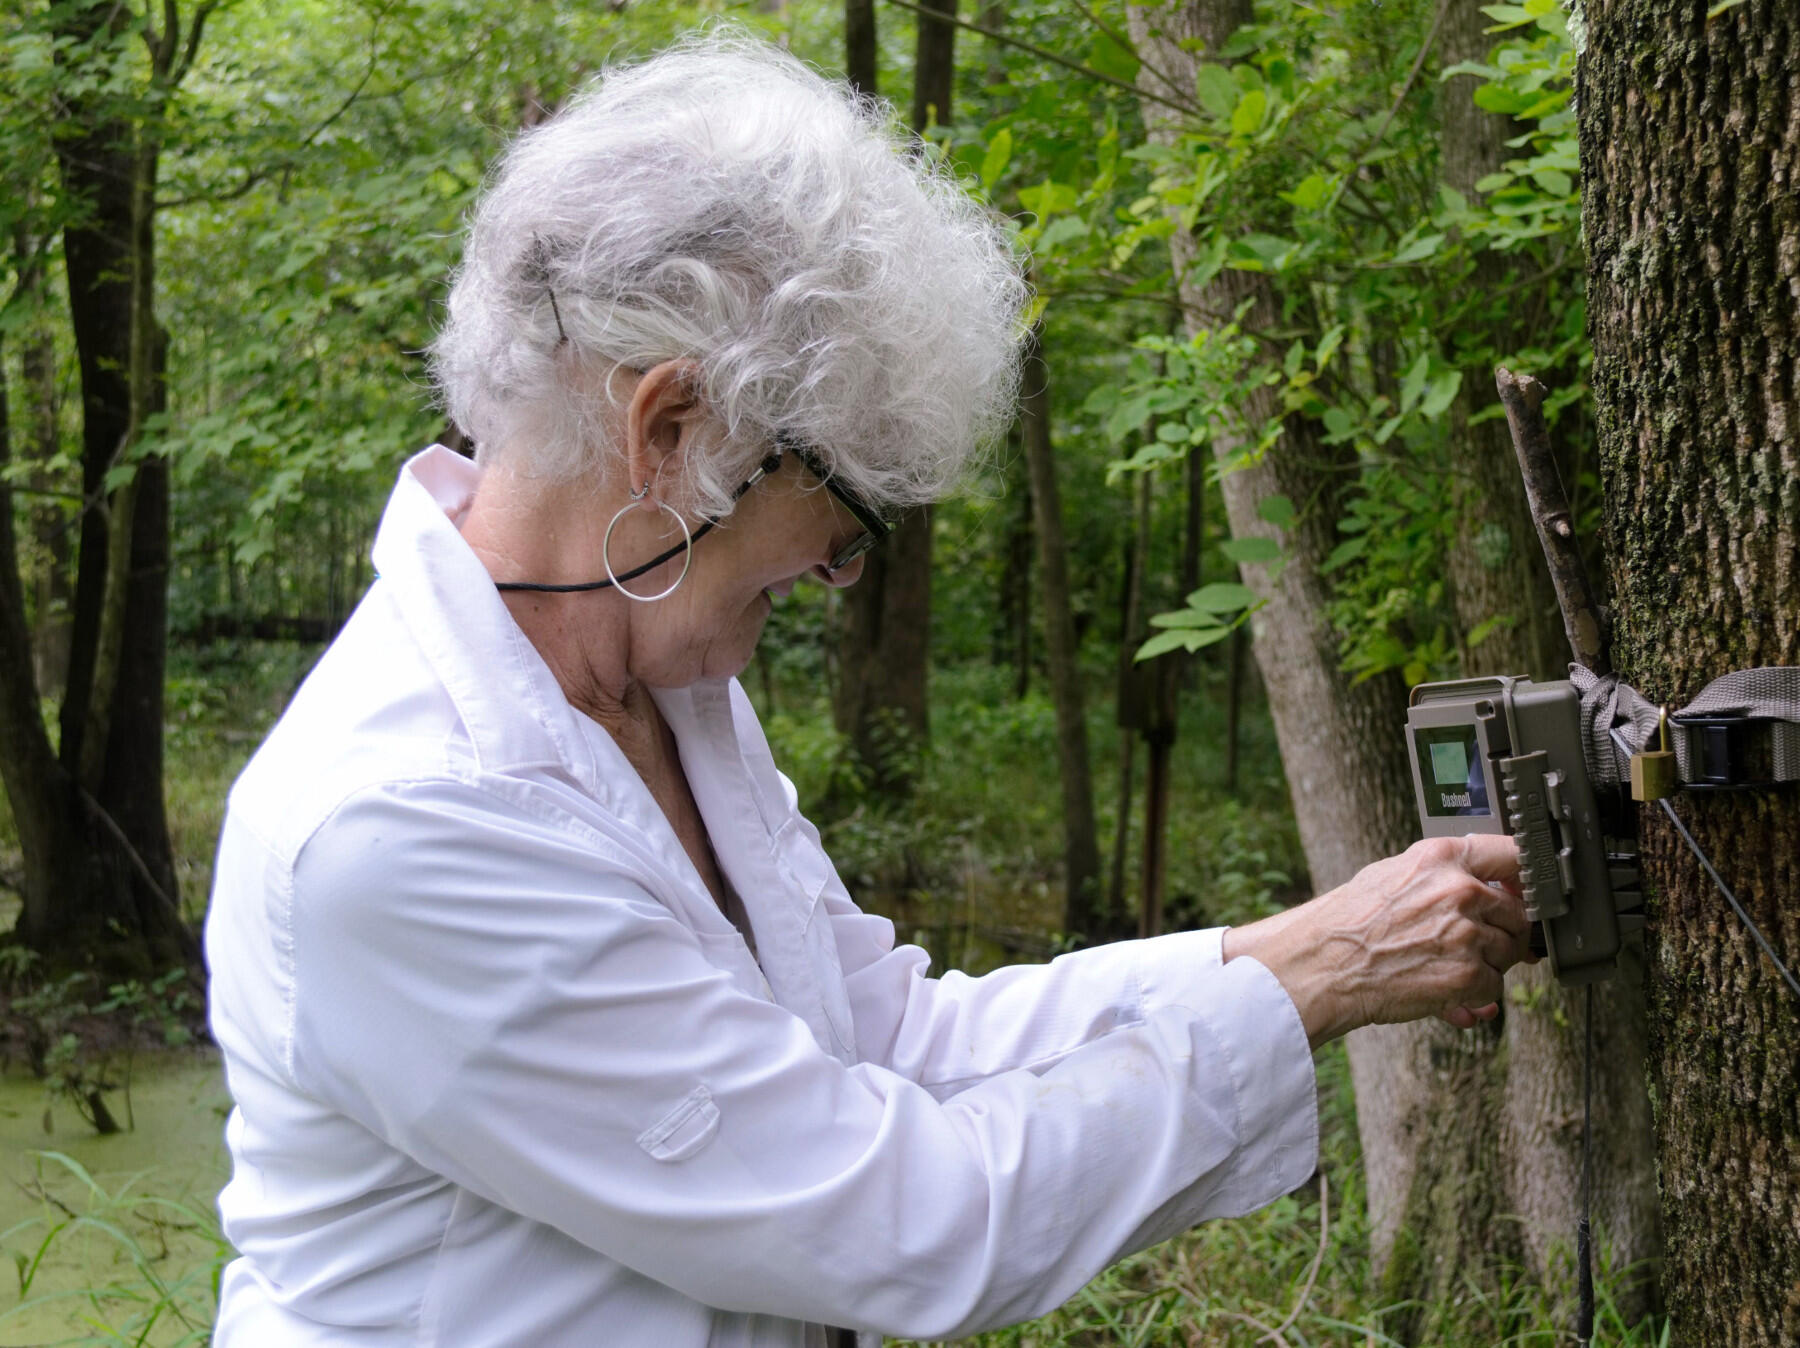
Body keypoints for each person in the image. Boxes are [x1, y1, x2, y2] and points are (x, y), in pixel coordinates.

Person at [205, 33, 1533, 1347]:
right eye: (846, 501)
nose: (844, 567)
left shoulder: (650, 693)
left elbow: (892, 1044)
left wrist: (1298, 946)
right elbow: (901, 1222)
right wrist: (1314, 981)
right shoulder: (402, 829)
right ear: (672, 430)